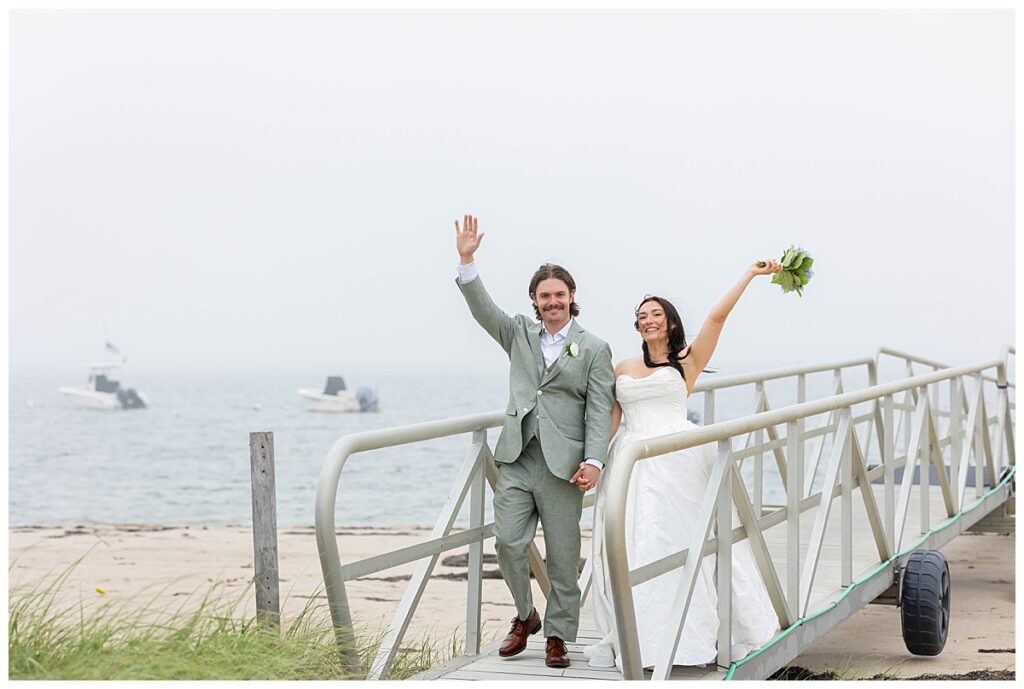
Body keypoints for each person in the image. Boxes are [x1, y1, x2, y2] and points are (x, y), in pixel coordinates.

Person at [584, 260, 784, 671]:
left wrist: (750, 274)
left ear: (671, 323)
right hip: (631, 463)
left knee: (685, 542)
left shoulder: (686, 362)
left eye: (656, 314)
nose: (648, 320)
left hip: (677, 458)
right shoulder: (621, 367)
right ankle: (642, 639)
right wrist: (592, 463)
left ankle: (694, 636)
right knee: (638, 543)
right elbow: (610, 422)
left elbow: (717, 316)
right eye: (642, 317)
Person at [453, 214, 615, 669]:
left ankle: (559, 635)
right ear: (534, 301)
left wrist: (595, 461)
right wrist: (467, 260)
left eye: (559, 294)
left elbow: (600, 411)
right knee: (507, 541)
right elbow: (483, 310)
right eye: (544, 296)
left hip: (565, 467)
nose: (552, 302)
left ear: (572, 298)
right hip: (518, 458)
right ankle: (526, 617)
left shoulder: (595, 348)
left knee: (563, 559)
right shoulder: (519, 333)